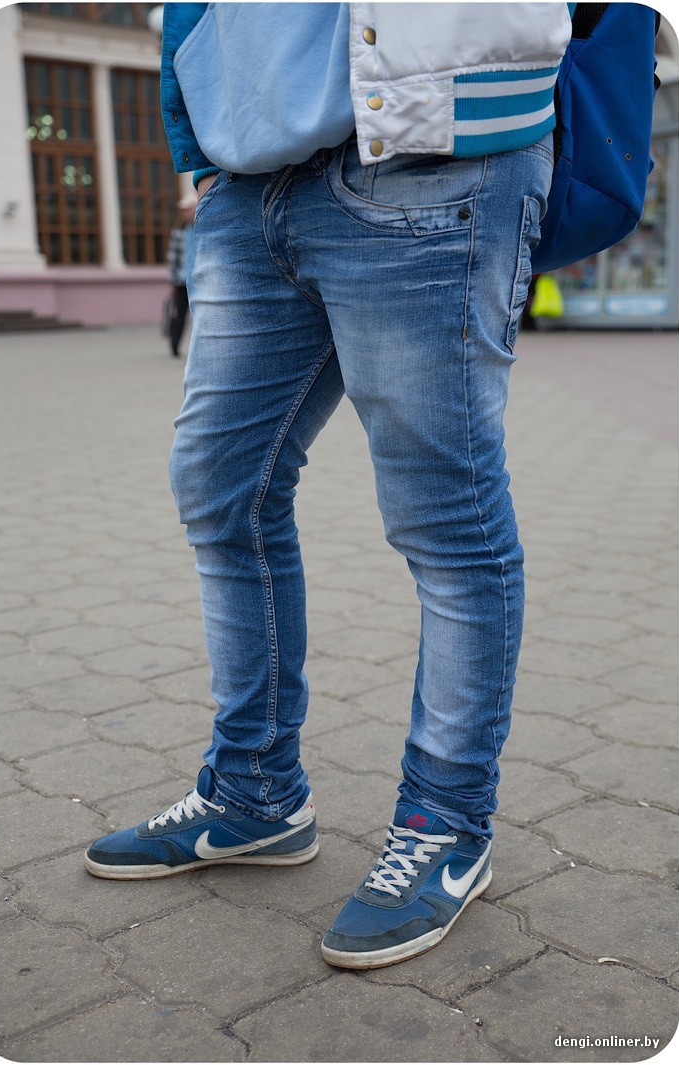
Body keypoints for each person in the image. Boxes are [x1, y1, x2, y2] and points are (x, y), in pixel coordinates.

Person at [85, 2, 572, 970]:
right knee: (220, 490)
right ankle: (254, 794)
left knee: (446, 515)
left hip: (430, 157)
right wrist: (199, 148)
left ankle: (444, 824)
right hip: (247, 182)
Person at [166, 193, 196, 357]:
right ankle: (174, 346)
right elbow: (173, 260)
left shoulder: (202, 230)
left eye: (188, 209)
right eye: (183, 210)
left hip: (199, 281)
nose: (185, 213)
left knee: (200, 315)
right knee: (179, 314)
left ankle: (199, 349)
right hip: (182, 281)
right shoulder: (178, 232)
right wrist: (172, 283)